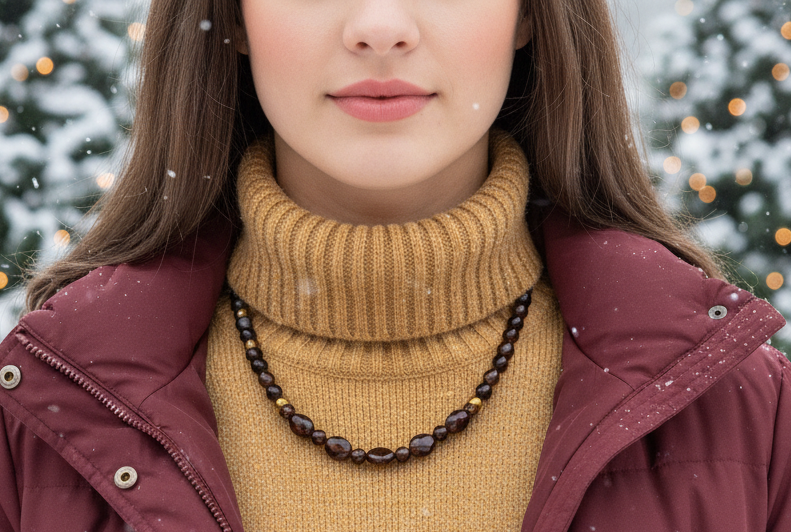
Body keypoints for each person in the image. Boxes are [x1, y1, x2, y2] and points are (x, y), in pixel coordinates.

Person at [0, 0, 788, 529]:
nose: (380, 27)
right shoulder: (33, 424)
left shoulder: (753, 420)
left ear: (527, 15)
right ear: (231, 17)